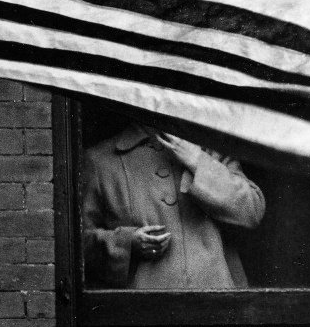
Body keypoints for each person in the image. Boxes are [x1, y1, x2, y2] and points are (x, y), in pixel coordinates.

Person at [82, 122, 265, 291]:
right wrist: (127, 243)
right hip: (142, 310)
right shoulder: (100, 160)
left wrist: (198, 162)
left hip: (217, 304)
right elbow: (76, 243)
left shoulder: (211, 150)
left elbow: (252, 210)